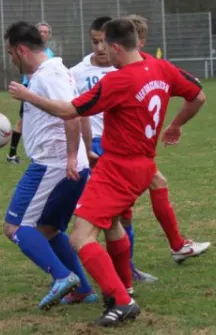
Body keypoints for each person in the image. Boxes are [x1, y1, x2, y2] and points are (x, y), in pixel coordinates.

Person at [8, 18, 206, 326]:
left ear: (115, 47)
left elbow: (68, 110)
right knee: (112, 223)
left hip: (118, 168)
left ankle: (122, 301)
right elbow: (198, 96)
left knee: (80, 237)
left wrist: (27, 96)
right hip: (143, 165)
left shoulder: (118, 81)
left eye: (104, 46)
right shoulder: (161, 68)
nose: (102, 53)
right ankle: (124, 285)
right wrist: (176, 124)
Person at [2, 21, 96, 310]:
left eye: (10, 53)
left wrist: (71, 156)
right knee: (49, 228)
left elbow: (72, 114)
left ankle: (61, 277)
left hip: (52, 165)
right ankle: (82, 289)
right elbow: (80, 112)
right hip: (66, 163)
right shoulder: (54, 71)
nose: (11, 59)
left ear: (21, 49)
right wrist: (85, 152)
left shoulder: (49, 74)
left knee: (15, 226)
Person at [68, 16, 158, 289]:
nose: (99, 48)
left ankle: (125, 272)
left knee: (119, 214)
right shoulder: (77, 72)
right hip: (93, 145)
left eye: (103, 42)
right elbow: (74, 110)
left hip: (121, 147)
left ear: (115, 44)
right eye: (94, 42)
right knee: (101, 216)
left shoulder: (129, 69)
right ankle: (118, 279)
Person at [125, 14, 211, 264]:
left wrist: (174, 125)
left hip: (133, 149)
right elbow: (198, 93)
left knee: (154, 185)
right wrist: (175, 125)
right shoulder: (150, 68)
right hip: (118, 149)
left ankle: (174, 247)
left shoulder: (152, 67)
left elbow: (197, 92)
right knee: (109, 214)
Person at [6, 22, 55, 164]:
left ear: (49, 36)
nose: (43, 34)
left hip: (41, 92)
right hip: (29, 90)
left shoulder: (50, 57)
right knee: (23, 121)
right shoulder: (30, 53)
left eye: (46, 32)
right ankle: (12, 153)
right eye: (41, 31)